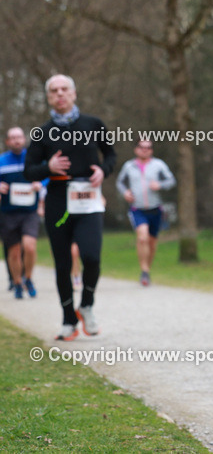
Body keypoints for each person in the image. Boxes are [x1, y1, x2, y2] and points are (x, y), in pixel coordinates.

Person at [24, 75, 116, 341]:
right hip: (58, 201)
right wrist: (47, 168)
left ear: (74, 93)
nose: (60, 94)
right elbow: (28, 171)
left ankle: (86, 304)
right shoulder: (41, 133)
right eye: (54, 91)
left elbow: (110, 154)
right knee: (63, 263)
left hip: (88, 198)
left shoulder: (93, 124)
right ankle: (67, 320)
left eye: (65, 89)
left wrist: (104, 170)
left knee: (92, 257)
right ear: (49, 97)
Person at [116, 138, 176, 285]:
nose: (145, 150)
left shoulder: (158, 165)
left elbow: (171, 180)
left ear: (151, 150)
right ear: (136, 149)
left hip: (155, 209)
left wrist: (160, 185)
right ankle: (144, 271)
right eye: (142, 147)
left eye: (148, 147)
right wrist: (125, 193)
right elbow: (120, 182)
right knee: (142, 237)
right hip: (137, 209)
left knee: (152, 242)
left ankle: (147, 268)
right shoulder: (129, 166)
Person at [0, 127, 44, 299]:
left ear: (24, 139)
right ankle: (17, 282)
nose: (16, 140)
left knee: (30, 246)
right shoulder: (2, 160)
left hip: (30, 212)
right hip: (8, 213)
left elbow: (46, 175)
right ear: (8, 141)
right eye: (13, 138)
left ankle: (29, 278)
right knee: (14, 252)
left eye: (19, 137)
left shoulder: (33, 159)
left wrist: (41, 185)